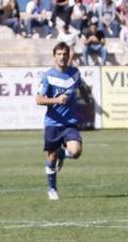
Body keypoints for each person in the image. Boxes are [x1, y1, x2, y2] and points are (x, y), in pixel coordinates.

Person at [36, 42, 85, 201]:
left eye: (65, 54)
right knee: (51, 157)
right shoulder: (48, 76)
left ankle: (63, 154)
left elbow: (81, 86)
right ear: (54, 56)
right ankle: (52, 189)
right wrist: (56, 100)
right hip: (53, 123)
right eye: (59, 54)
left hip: (70, 122)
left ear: (69, 55)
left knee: (76, 152)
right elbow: (38, 99)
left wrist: (84, 97)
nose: (62, 57)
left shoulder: (75, 73)